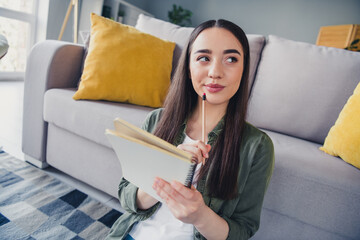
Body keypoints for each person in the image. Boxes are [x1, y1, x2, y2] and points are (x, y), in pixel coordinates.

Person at [106, 19, 274, 240]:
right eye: (204, 58)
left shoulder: (258, 146)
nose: (215, 72)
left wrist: (200, 216)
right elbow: (127, 195)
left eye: (231, 59)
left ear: (244, 70)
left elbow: (242, 231)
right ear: (188, 67)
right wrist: (167, 173)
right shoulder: (157, 120)